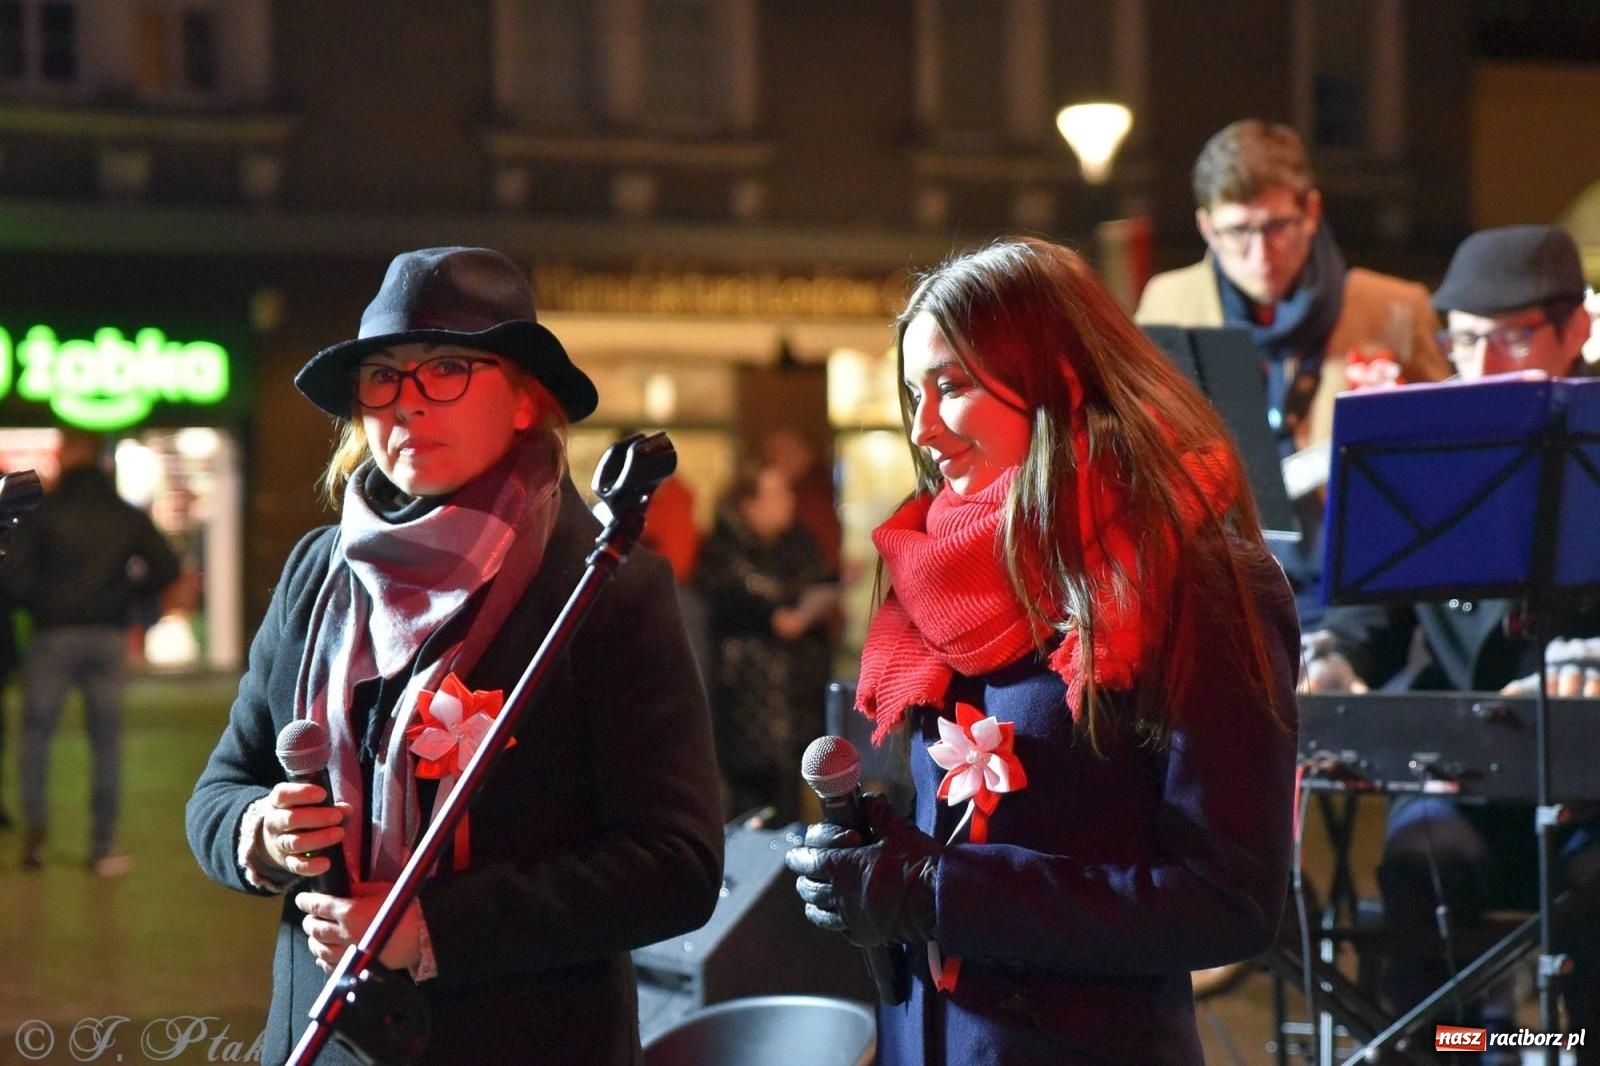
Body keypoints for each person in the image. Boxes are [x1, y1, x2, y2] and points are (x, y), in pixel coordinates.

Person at [185, 247, 723, 1064]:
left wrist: (434, 930)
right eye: (383, 378)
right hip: (321, 1034)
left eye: (445, 369)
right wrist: (259, 834)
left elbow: (675, 864)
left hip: (520, 1035)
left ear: (522, 399)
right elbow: (223, 786)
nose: (407, 404)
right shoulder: (318, 572)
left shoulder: (603, 584)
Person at [784, 236, 1301, 1065]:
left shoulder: (1193, 578)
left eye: (949, 386)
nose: (922, 429)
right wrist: (882, 857)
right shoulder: (932, 577)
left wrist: (942, 889)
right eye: (914, 392)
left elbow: (1228, 901)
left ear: (1054, 378)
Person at [1302, 224, 1600, 1058]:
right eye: (1466, 338)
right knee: (1424, 863)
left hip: (1593, 786)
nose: (1485, 365)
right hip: (1465, 770)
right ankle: (1462, 1050)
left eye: (1510, 336)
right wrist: (1337, 654)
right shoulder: (1424, 444)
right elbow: (1375, 607)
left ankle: (1576, 1046)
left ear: (1577, 330)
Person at [1135, 119, 1449, 624]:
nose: (1262, 255)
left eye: (1278, 226)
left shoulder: (1395, 308)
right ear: (1206, 228)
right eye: (1239, 231)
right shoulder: (1168, 302)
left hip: (1361, 594)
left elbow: (1447, 459)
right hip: (1225, 587)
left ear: (1311, 211)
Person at [6, 428, 180, 875]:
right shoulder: (122, 514)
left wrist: (41, 602)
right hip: (106, 635)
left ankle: (36, 839)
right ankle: (102, 845)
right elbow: (166, 564)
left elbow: (13, 574)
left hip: (53, 635)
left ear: (72, 455)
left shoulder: (45, 512)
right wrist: (126, 594)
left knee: (37, 737)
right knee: (106, 741)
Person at [694, 463, 836, 823]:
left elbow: (819, 590)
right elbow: (735, 603)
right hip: (747, 704)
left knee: (793, 803)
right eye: (775, 494)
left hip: (797, 703)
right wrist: (785, 615)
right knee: (752, 812)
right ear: (748, 504)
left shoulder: (799, 545)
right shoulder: (723, 552)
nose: (788, 502)